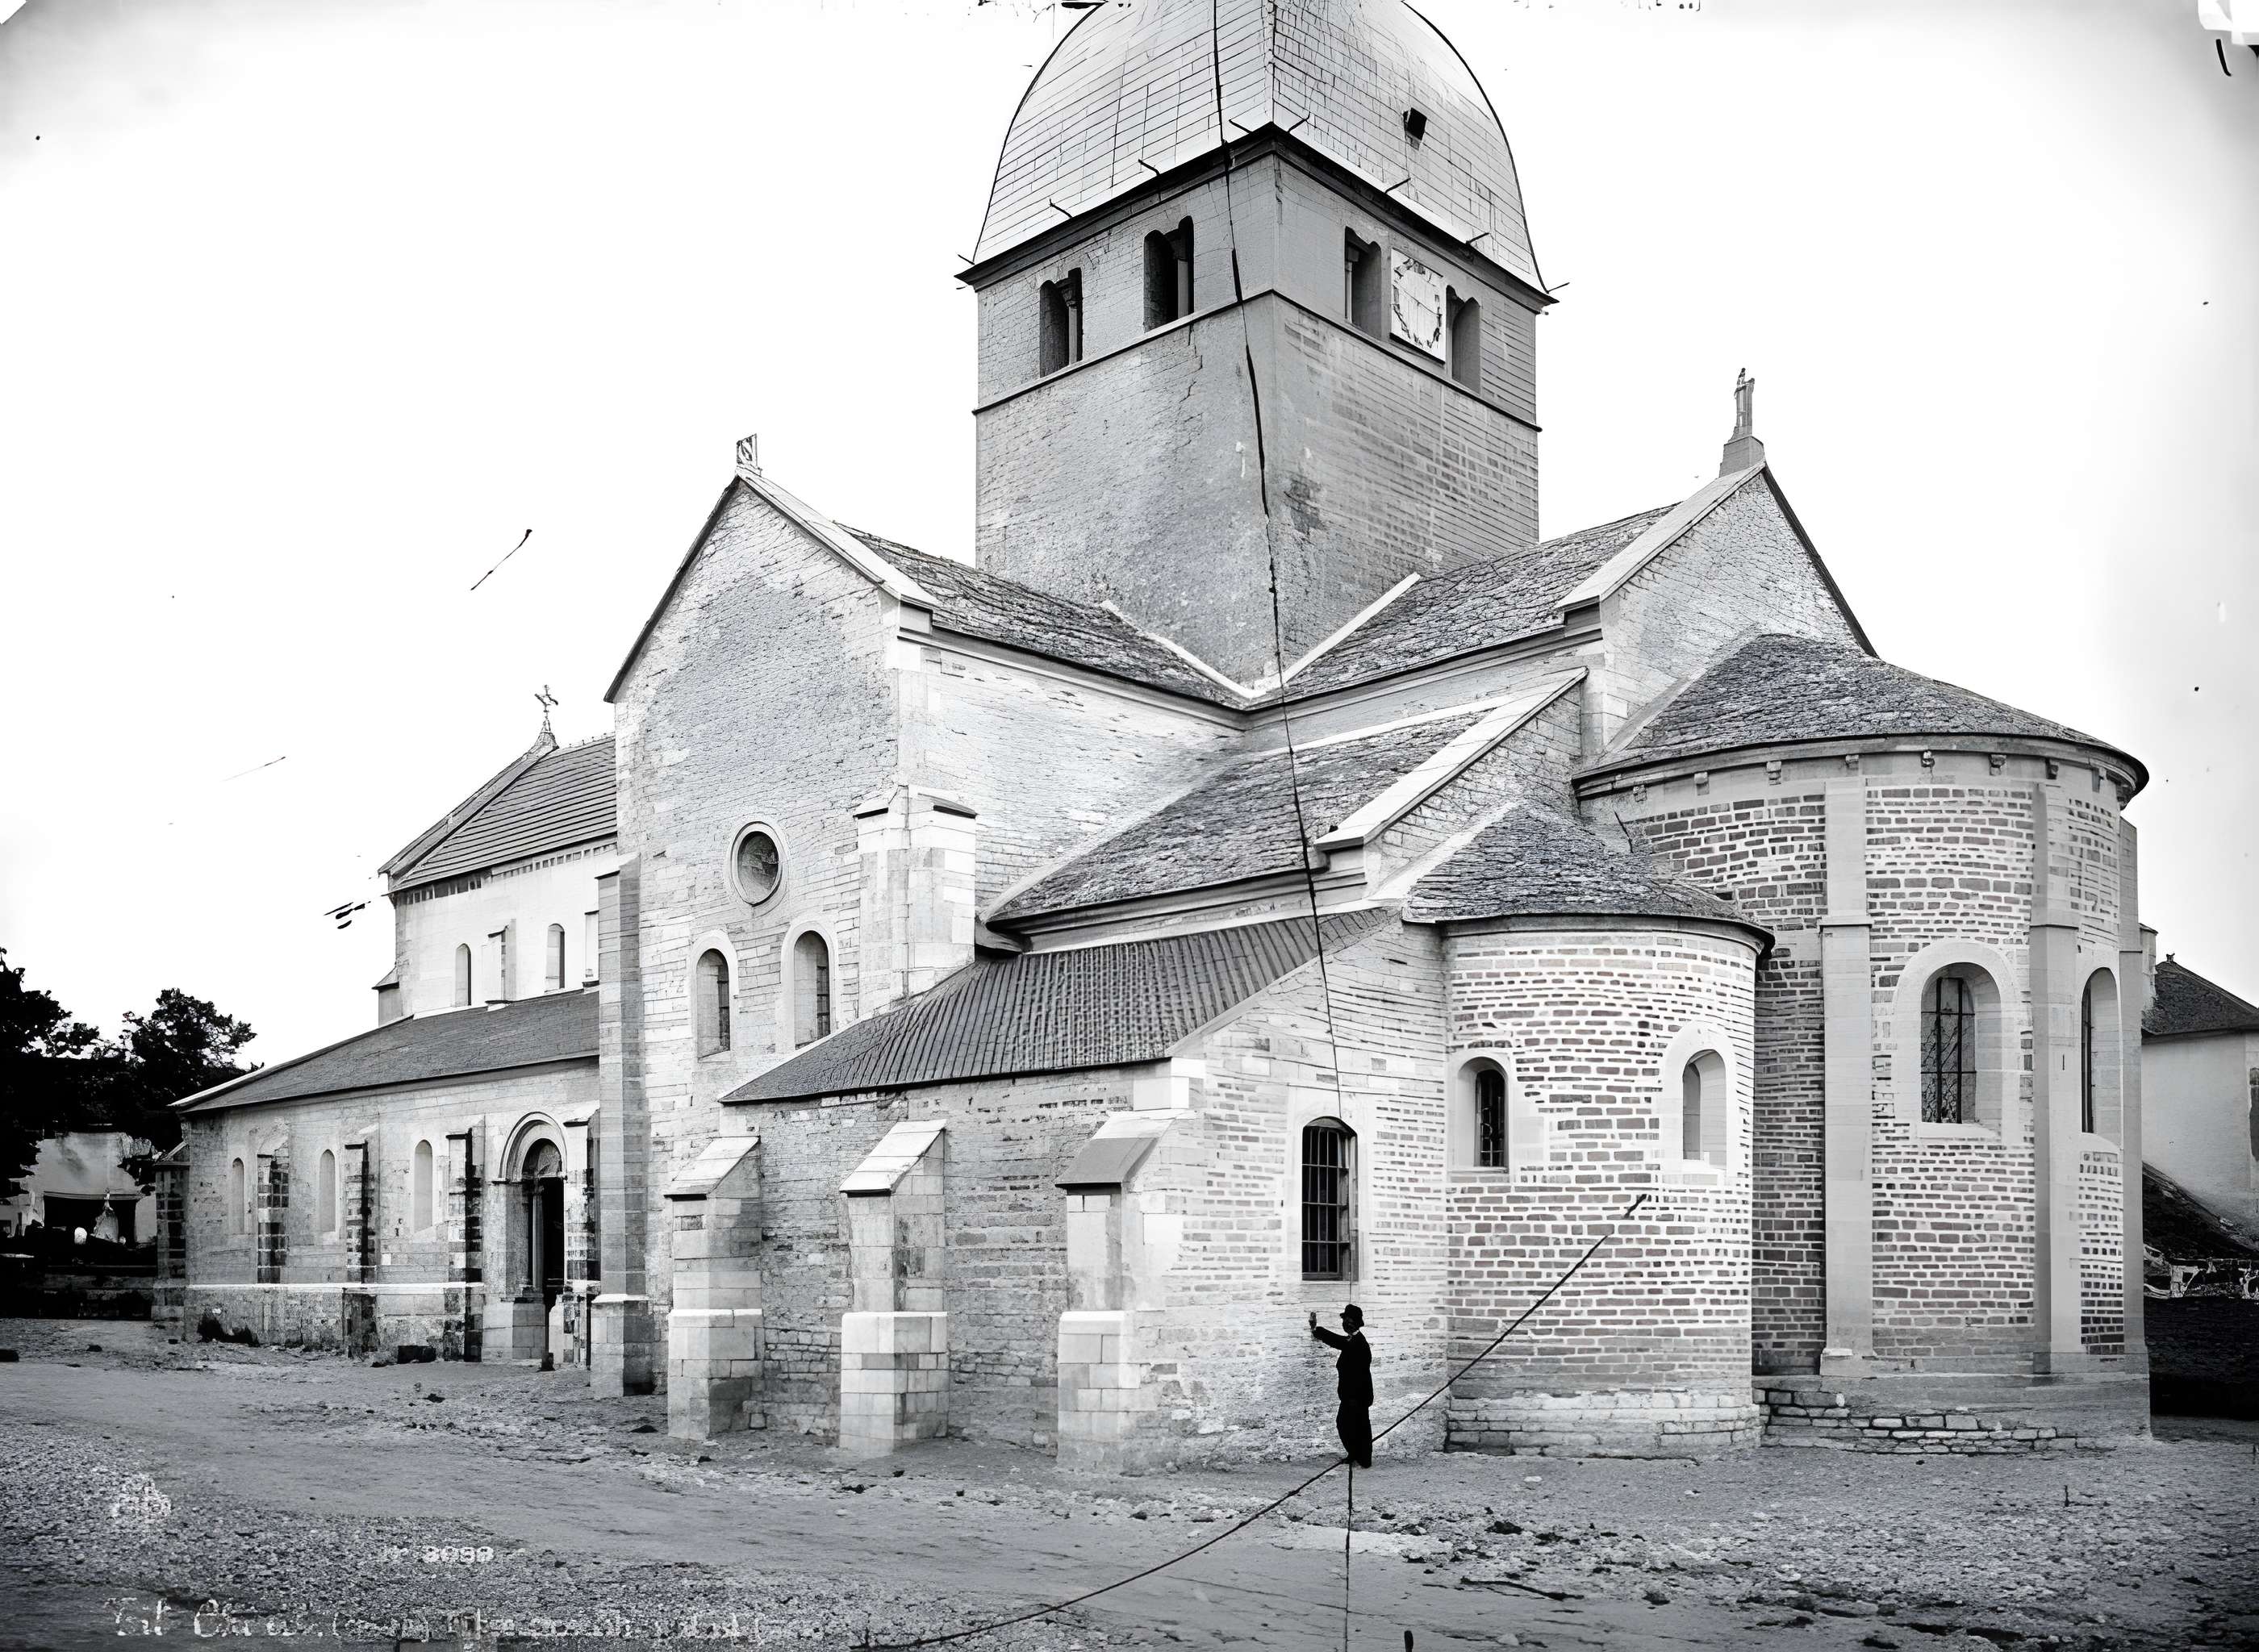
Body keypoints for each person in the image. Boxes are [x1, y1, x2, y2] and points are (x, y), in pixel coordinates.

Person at [1309, 1303, 1373, 1468]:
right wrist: (1316, 1330)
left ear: (1356, 1323)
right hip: (1350, 1396)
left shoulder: (1358, 1343)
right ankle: (1355, 1454)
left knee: (1359, 1427)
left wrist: (1317, 1330)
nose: (1346, 1324)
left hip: (1357, 1396)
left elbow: (1339, 1342)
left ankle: (1364, 1459)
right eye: (1345, 1320)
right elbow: (1340, 1341)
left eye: (1350, 1321)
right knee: (1348, 1425)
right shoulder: (1352, 1339)